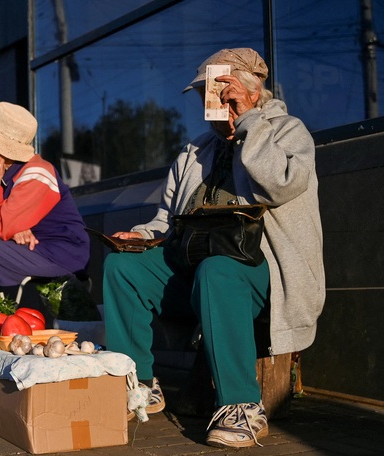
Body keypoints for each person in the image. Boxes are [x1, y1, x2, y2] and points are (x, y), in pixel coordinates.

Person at [102, 49, 325, 448]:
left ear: (251, 92)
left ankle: (242, 406)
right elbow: (166, 219)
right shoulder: (195, 151)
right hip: (195, 266)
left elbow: (279, 184)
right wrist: (142, 235)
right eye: (204, 93)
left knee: (217, 270)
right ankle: (140, 384)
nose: (209, 102)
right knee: (123, 268)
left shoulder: (287, 131)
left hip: (260, 273)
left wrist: (250, 123)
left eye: (218, 91)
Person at [0, 102, 90, 308]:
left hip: (58, 255)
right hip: (32, 250)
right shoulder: (9, 175)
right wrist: (11, 231)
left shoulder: (36, 173)